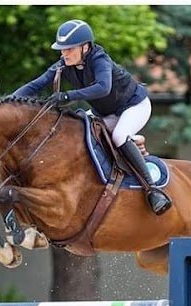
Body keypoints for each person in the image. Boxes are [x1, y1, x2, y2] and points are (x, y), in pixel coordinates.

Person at [13, 19, 172, 215]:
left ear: (85, 47)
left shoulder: (99, 59)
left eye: (70, 49)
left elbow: (103, 88)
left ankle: (153, 190)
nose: (64, 54)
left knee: (119, 136)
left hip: (133, 106)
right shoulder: (64, 65)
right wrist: (8, 102)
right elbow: (35, 85)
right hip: (106, 113)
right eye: (62, 50)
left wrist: (67, 96)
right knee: (75, 131)